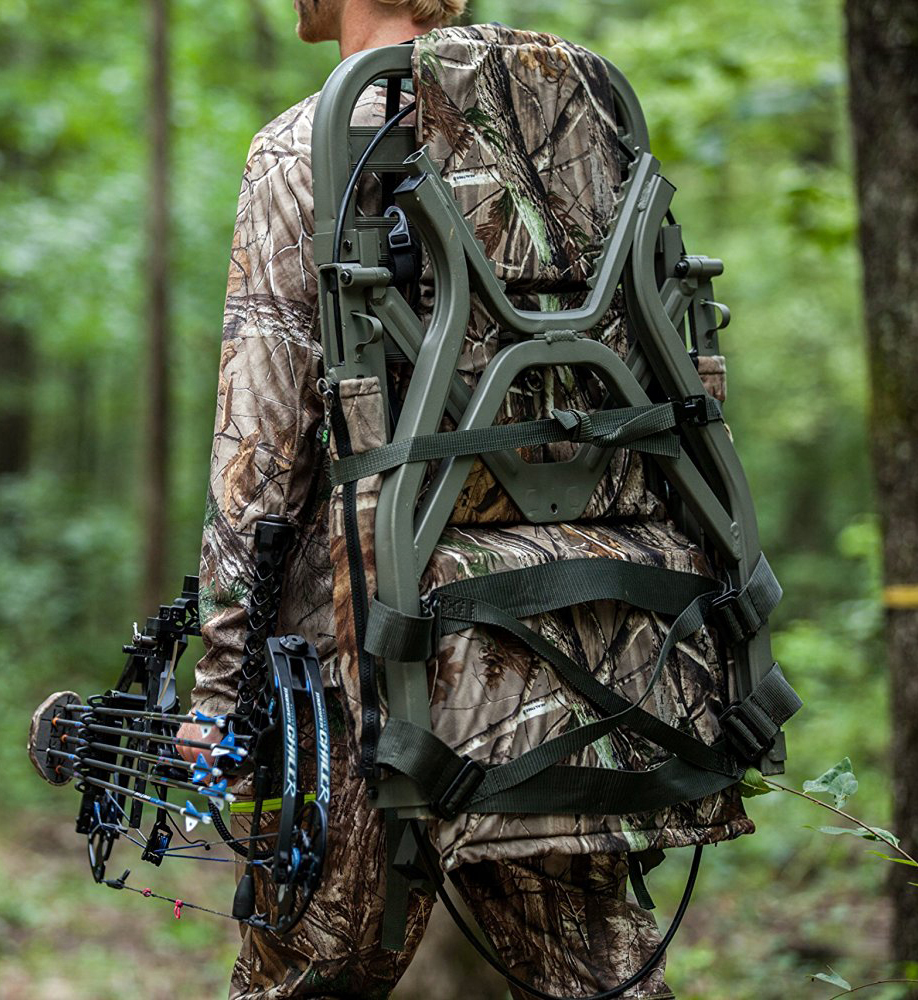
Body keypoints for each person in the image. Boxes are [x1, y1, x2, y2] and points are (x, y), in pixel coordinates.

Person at [178, 3, 747, 998]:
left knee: (304, 974)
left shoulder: (307, 144)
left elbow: (256, 450)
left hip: (379, 653)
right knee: (598, 976)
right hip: (600, 628)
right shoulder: (580, 124)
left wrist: (221, 694)